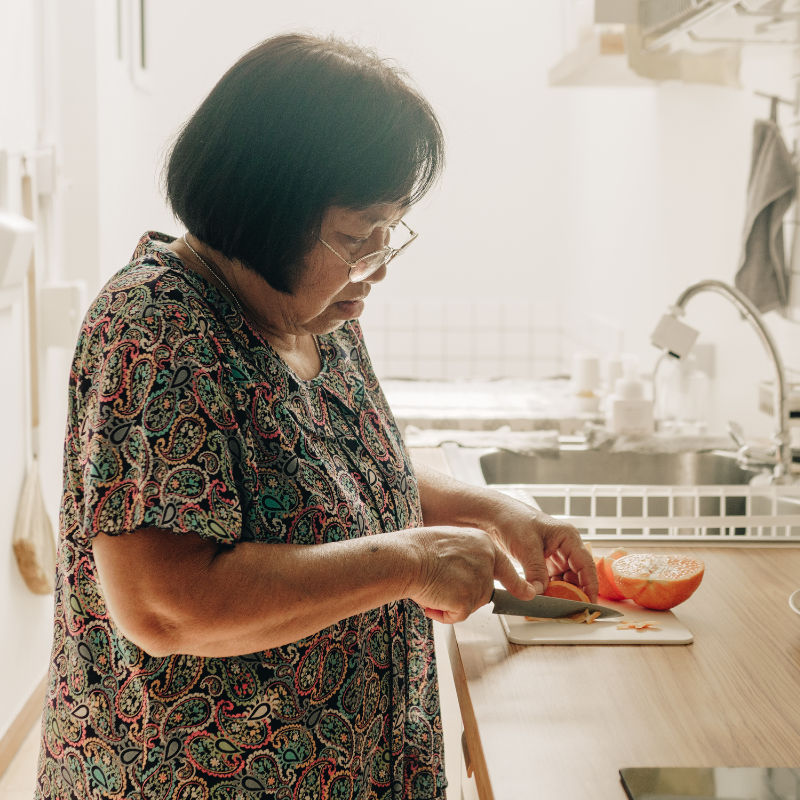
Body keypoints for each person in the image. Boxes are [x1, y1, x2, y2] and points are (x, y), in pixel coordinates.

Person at [35, 33, 597, 800]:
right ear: (267, 206)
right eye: (358, 235)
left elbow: (342, 471)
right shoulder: (156, 327)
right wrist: (413, 560)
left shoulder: (315, 314)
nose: (378, 264)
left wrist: (491, 510)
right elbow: (165, 606)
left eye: (391, 230)